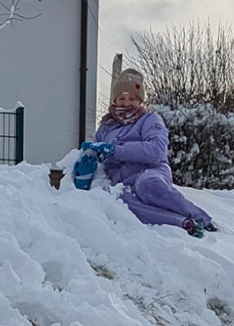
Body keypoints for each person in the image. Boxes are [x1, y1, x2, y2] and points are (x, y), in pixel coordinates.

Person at [83, 68, 216, 238]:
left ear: (140, 100)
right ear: (115, 100)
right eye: (122, 98)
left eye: (132, 98)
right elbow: (94, 149)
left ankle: (199, 217)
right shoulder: (106, 126)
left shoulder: (150, 120)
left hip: (151, 170)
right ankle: (183, 223)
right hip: (120, 180)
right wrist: (87, 159)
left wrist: (115, 150)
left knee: (148, 185)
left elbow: (156, 150)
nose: (126, 103)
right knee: (121, 201)